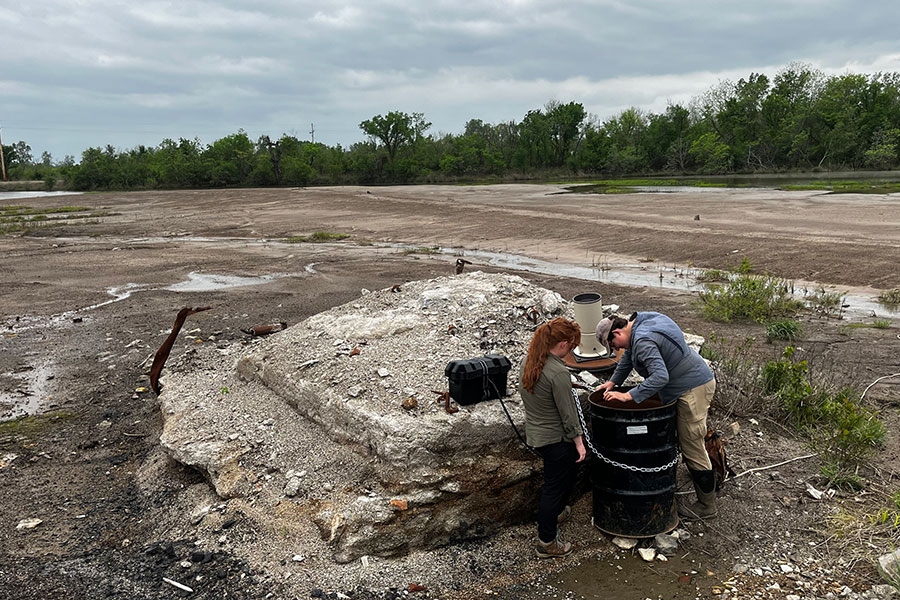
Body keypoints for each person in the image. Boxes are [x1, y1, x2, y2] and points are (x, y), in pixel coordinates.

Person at [594, 312, 718, 520]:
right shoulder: (642, 319)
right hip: (688, 379)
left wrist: (628, 397)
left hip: (693, 387)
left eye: (614, 345)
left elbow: (660, 376)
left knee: (692, 445)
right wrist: (613, 382)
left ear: (616, 332)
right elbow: (629, 356)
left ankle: (707, 506)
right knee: (685, 440)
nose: (617, 350)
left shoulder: (642, 340)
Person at [518, 317, 587, 558]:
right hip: (556, 439)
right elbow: (568, 414)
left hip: (536, 434)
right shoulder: (557, 373)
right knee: (553, 488)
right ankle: (547, 542)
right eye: (572, 346)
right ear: (564, 344)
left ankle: (556, 512)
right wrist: (579, 442)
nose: (571, 351)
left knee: (557, 480)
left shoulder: (529, 362)